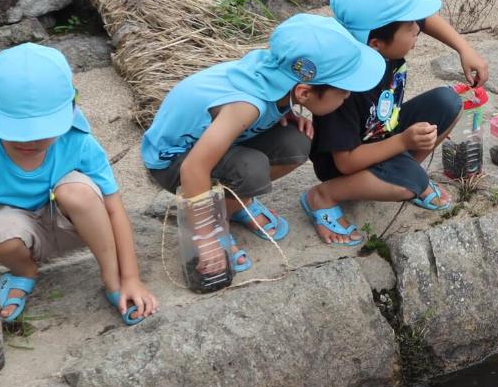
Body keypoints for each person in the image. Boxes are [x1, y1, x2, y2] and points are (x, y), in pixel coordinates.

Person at [0, 43, 156, 327]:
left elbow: (114, 209)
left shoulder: (78, 139)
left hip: (77, 227)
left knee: (75, 191)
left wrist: (131, 277)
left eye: (43, 132)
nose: (29, 141)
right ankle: (24, 272)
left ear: (71, 109)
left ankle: (113, 280)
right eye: (16, 132)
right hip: (21, 236)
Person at [141, 14, 384, 276]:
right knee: (251, 170)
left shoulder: (278, 79)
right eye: (344, 91)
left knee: (296, 143)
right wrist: (206, 239)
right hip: (173, 161)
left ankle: (234, 206)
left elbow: (261, 98)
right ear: (304, 92)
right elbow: (193, 168)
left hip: (217, 140)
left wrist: (286, 111)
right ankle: (213, 220)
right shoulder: (246, 107)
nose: (348, 97)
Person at [301, 0, 488, 240]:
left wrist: (464, 48)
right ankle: (324, 196)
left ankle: (401, 174)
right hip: (349, 161)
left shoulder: (377, 41)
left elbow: (423, 19)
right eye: (411, 26)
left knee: (449, 103)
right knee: (411, 184)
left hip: (385, 132)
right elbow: (345, 163)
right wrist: (403, 142)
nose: (418, 29)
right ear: (376, 43)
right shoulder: (343, 88)